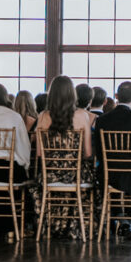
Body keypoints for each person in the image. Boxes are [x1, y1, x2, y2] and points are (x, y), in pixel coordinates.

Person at [92, 81, 131, 235]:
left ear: (116, 97)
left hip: (109, 174)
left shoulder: (102, 120)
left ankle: (121, 219)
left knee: (111, 178)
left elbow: (99, 151)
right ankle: (129, 219)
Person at [37, 76, 89, 236]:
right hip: (76, 175)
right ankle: (75, 227)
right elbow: (87, 153)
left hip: (50, 175)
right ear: (72, 94)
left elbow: (39, 153)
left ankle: (52, 225)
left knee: (35, 185)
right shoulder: (82, 115)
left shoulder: (43, 116)